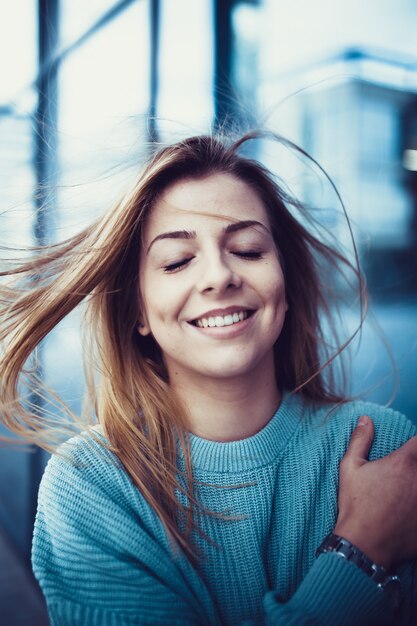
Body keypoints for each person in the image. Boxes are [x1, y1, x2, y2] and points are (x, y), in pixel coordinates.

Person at [1, 131, 417, 626]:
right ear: (138, 309)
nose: (219, 276)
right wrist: (360, 553)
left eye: (247, 249)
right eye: (177, 261)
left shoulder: (386, 450)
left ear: (284, 285)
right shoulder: (90, 489)